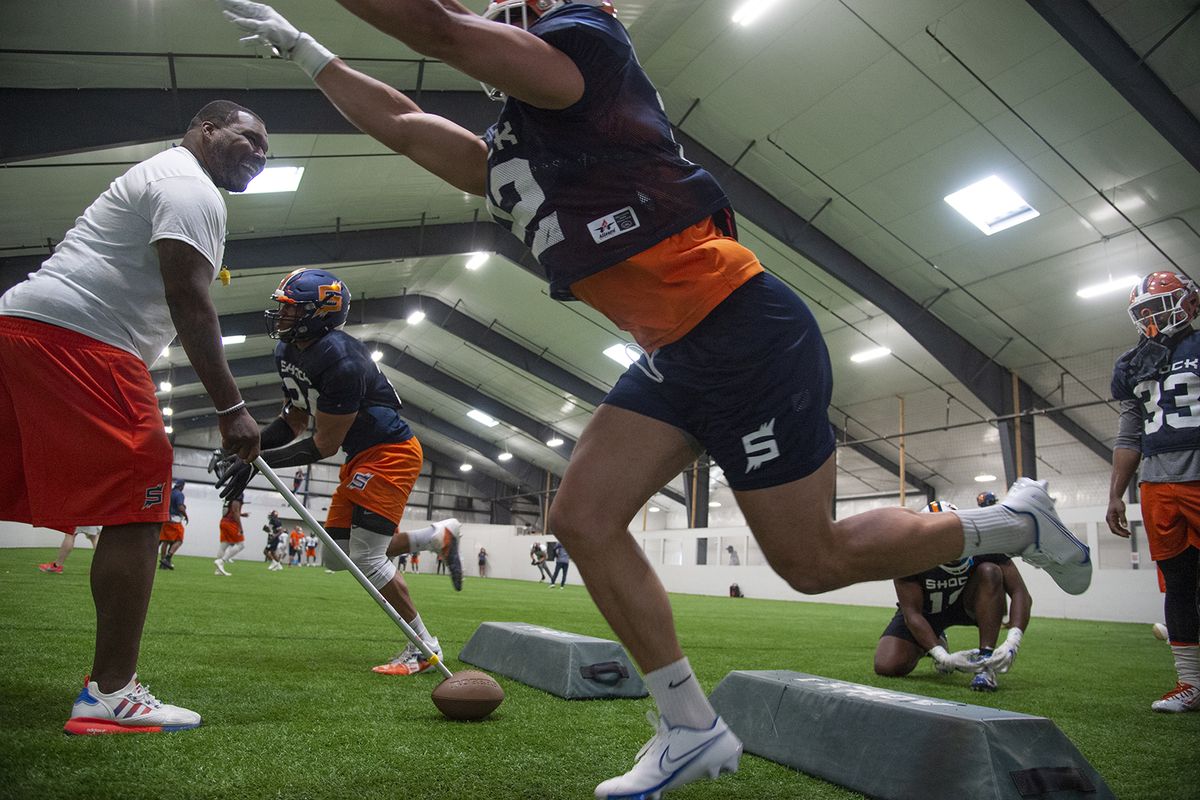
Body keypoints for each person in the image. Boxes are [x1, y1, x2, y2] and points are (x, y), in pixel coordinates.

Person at [216, 3, 1092, 793]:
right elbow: (407, 125)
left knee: (813, 563)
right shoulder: (527, 146)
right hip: (677, 349)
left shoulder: (585, 52)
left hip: (742, 328)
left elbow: (438, 28)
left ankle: (1012, 523)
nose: (487, 17)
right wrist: (307, 50)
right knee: (584, 517)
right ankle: (688, 727)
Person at [0, 99, 265, 734]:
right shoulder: (188, 186)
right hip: (86, 341)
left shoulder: (166, 177)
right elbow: (188, 299)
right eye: (249, 138)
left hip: (23, 325)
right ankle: (112, 694)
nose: (259, 154)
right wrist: (232, 409)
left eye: (267, 152)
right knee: (140, 502)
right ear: (205, 128)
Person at [211, 267, 464, 678]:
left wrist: (258, 462)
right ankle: (436, 537)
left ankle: (424, 647)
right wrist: (247, 446)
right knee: (335, 557)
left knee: (366, 557)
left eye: (292, 310)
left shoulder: (343, 360)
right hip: (360, 454)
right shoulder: (289, 352)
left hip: (389, 452)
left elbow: (323, 445)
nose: (282, 316)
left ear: (319, 313)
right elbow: (293, 423)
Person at [1108, 272, 1200, 713]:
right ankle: (1190, 683)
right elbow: (1130, 432)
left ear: (1189, 304)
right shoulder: (1131, 362)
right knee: (1178, 584)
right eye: (1142, 310)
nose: (1150, 316)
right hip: (1157, 483)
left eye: (1158, 305)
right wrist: (1115, 494)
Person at [873, 501, 1032, 692]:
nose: (946, 541)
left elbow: (1019, 592)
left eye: (950, 532)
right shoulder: (908, 555)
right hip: (927, 613)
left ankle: (985, 663)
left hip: (966, 605)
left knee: (990, 571)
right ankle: (936, 640)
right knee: (888, 665)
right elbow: (912, 614)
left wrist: (1013, 642)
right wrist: (942, 657)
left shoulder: (982, 544)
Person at [214, 493, 249, 576]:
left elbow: (230, 510)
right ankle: (221, 561)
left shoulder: (229, 492)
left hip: (223, 521)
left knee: (224, 545)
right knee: (241, 545)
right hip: (231, 523)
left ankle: (218, 570)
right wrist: (240, 527)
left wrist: (241, 514)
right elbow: (234, 511)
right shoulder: (238, 494)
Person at [158, 480, 189, 570]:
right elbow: (180, 507)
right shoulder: (179, 494)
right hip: (175, 520)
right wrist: (186, 516)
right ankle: (167, 558)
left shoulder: (169, 492)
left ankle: (163, 563)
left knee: (165, 541)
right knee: (179, 540)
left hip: (166, 518)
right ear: (182, 486)